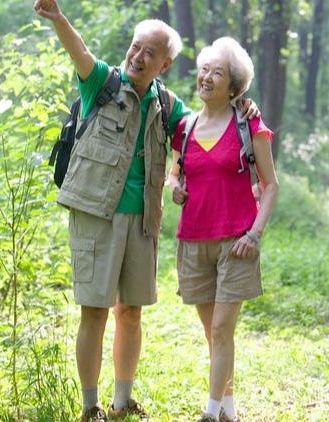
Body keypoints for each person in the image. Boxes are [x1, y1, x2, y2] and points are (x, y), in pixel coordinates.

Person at [34, 1, 258, 420]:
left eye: (149, 52)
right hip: (96, 214)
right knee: (95, 311)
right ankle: (90, 406)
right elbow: (79, 51)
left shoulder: (168, 105)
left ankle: (122, 400)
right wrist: (59, 18)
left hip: (143, 222)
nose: (138, 56)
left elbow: (209, 127)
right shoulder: (101, 81)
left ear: (165, 63)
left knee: (130, 313)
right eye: (136, 47)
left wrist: (242, 105)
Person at [168, 37, 279, 422]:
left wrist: (255, 234)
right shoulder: (185, 126)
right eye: (204, 69)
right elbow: (175, 171)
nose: (207, 77)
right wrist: (175, 187)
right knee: (214, 334)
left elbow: (271, 185)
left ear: (234, 86)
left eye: (218, 72)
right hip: (194, 240)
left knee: (221, 327)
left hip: (237, 241)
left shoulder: (249, 123)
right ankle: (229, 408)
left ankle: (211, 413)